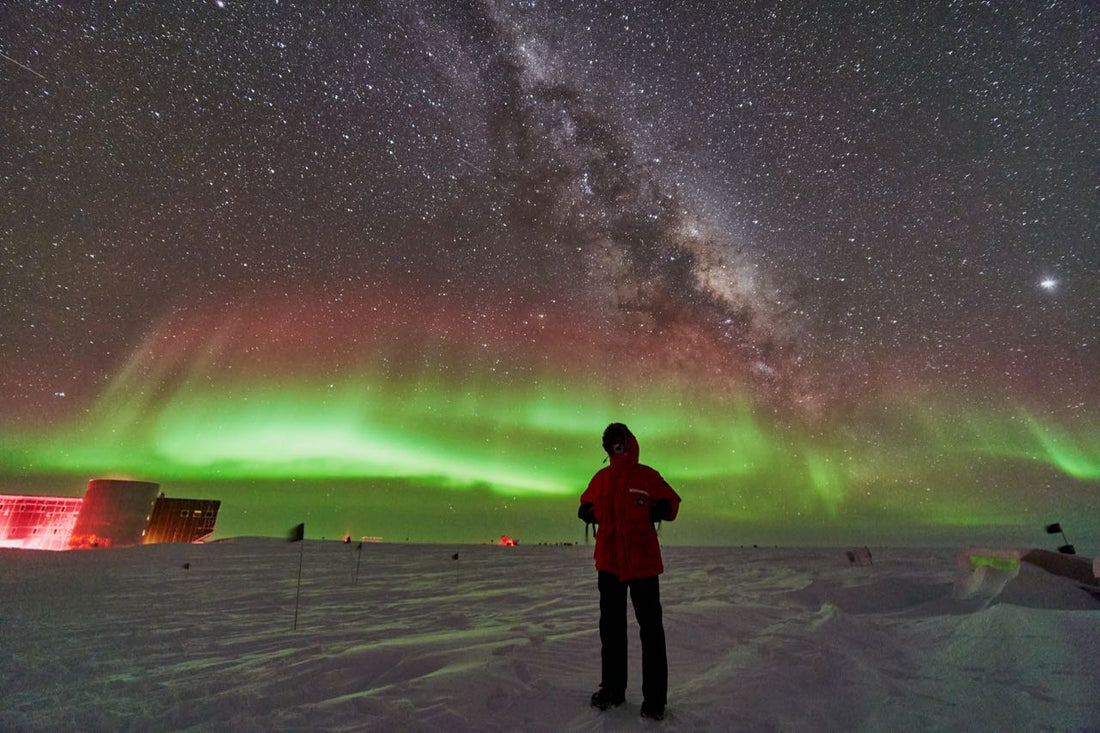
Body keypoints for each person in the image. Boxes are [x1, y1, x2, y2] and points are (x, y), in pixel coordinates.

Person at [578, 422, 681, 721]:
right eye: (612, 442)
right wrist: (589, 512)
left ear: (629, 442)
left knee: (651, 631)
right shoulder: (601, 478)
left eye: (621, 440)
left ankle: (654, 701)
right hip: (609, 563)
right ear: (608, 447)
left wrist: (654, 510)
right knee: (610, 630)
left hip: (643, 564)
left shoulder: (646, 475)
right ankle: (612, 689)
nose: (617, 445)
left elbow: (672, 505)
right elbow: (583, 505)